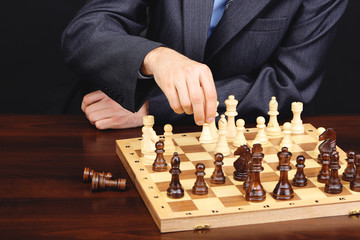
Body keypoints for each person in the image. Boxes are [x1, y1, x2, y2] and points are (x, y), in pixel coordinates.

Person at [62, 0, 348, 129]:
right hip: (132, 140)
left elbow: (291, 86)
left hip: (248, 139)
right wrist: (156, 57)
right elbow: (85, 31)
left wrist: (154, 108)